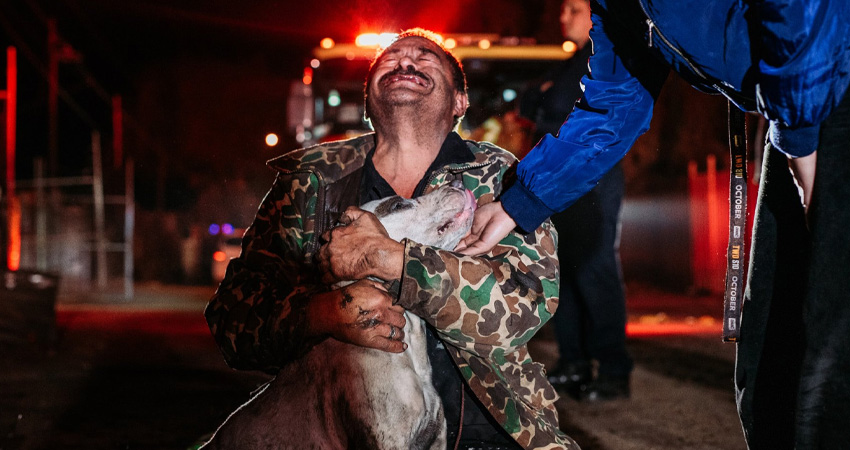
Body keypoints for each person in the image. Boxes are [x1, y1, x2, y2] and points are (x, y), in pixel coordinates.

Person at [456, 2, 850, 448]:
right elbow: (615, 100)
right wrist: (519, 202)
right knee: (771, 366)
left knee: (828, 355)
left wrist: (800, 136)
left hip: (824, 83)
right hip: (793, 111)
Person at [205, 28, 578, 450]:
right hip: (339, 433)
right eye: (391, 58)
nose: (405, 62)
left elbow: (525, 305)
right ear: (367, 102)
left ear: (460, 101)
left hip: (492, 430)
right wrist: (323, 312)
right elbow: (233, 321)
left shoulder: (503, 177)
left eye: (426, 57)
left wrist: (394, 262)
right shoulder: (312, 183)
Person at [519, 0, 630, 402]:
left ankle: (613, 368)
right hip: (562, 179)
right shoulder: (572, 62)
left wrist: (545, 104)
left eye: (574, 9)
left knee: (595, 268)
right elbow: (531, 101)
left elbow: (555, 108)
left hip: (593, 180)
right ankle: (574, 361)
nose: (564, 17)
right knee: (562, 268)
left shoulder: (605, 58)